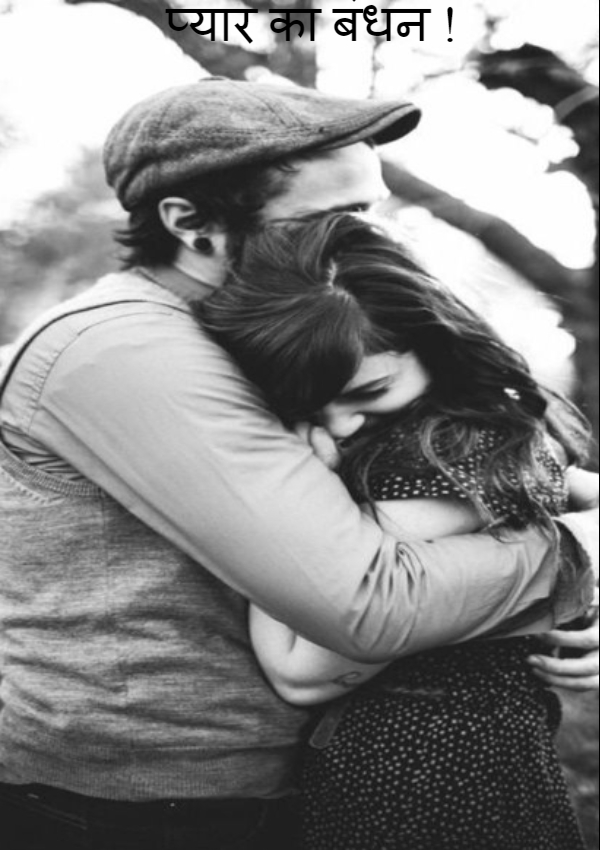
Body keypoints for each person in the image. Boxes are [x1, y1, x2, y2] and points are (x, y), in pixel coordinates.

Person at [0, 79, 597, 850]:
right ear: (191, 223)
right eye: (328, 218)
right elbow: (364, 602)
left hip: (276, 778)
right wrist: (577, 555)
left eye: (368, 211)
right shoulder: (127, 349)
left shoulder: (274, 321)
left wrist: (558, 525)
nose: (361, 238)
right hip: (143, 806)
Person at [199, 211, 598, 849]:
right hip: (466, 759)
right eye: (307, 403)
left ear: (432, 339)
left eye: (371, 390)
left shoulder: (435, 459)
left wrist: (301, 485)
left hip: (425, 775)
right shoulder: (490, 430)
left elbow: (299, 669)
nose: (340, 425)